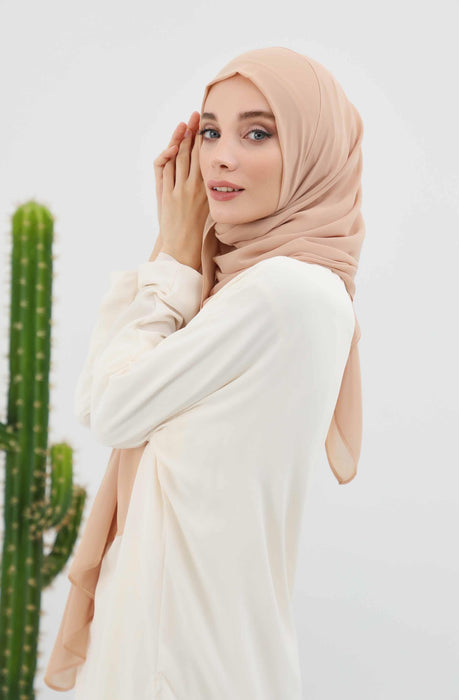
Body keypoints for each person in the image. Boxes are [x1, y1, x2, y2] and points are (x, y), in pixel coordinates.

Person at [43, 46, 365, 699]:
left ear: (315, 154)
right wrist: (181, 258)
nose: (219, 157)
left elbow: (112, 407)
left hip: (182, 659)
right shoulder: (251, 290)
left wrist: (173, 255)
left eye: (258, 133)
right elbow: (105, 397)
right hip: (182, 641)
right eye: (211, 132)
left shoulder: (280, 293)